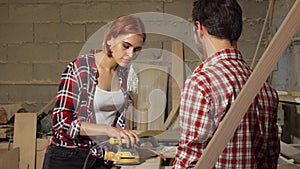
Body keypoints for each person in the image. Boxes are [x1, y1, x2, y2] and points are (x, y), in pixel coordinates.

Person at [173, 0, 280, 168]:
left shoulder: (201, 83)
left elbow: (189, 160)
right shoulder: (266, 90)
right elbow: (271, 157)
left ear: (200, 28)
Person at [42, 15, 146, 169]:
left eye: (136, 49)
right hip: (67, 157)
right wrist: (109, 130)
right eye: (126, 46)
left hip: (99, 157)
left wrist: (138, 148)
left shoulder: (125, 73)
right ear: (110, 39)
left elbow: (116, 120)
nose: (131, 55)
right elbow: (61, 122)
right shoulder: (80, 68)